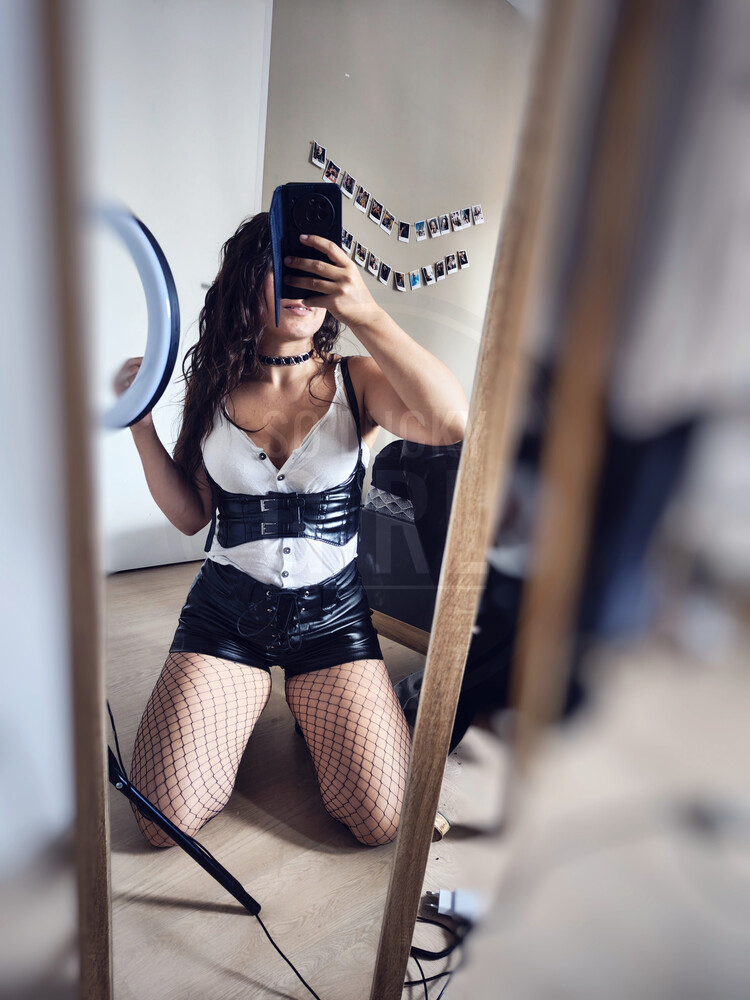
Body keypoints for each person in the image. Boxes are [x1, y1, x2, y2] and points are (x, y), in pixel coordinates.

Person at [115, 211, 468, 849]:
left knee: (382, 821)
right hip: (226, 616)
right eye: (283, 269)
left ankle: (318, 706)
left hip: (332, 620)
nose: (303, 287)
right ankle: (241, 702)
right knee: (160, 821)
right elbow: (192, 515)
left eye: (316, 271)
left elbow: (450, 423)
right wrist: (140, 424)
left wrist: (368, 313)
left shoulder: (355, 379)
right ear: (246, 282)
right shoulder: (212, 386)